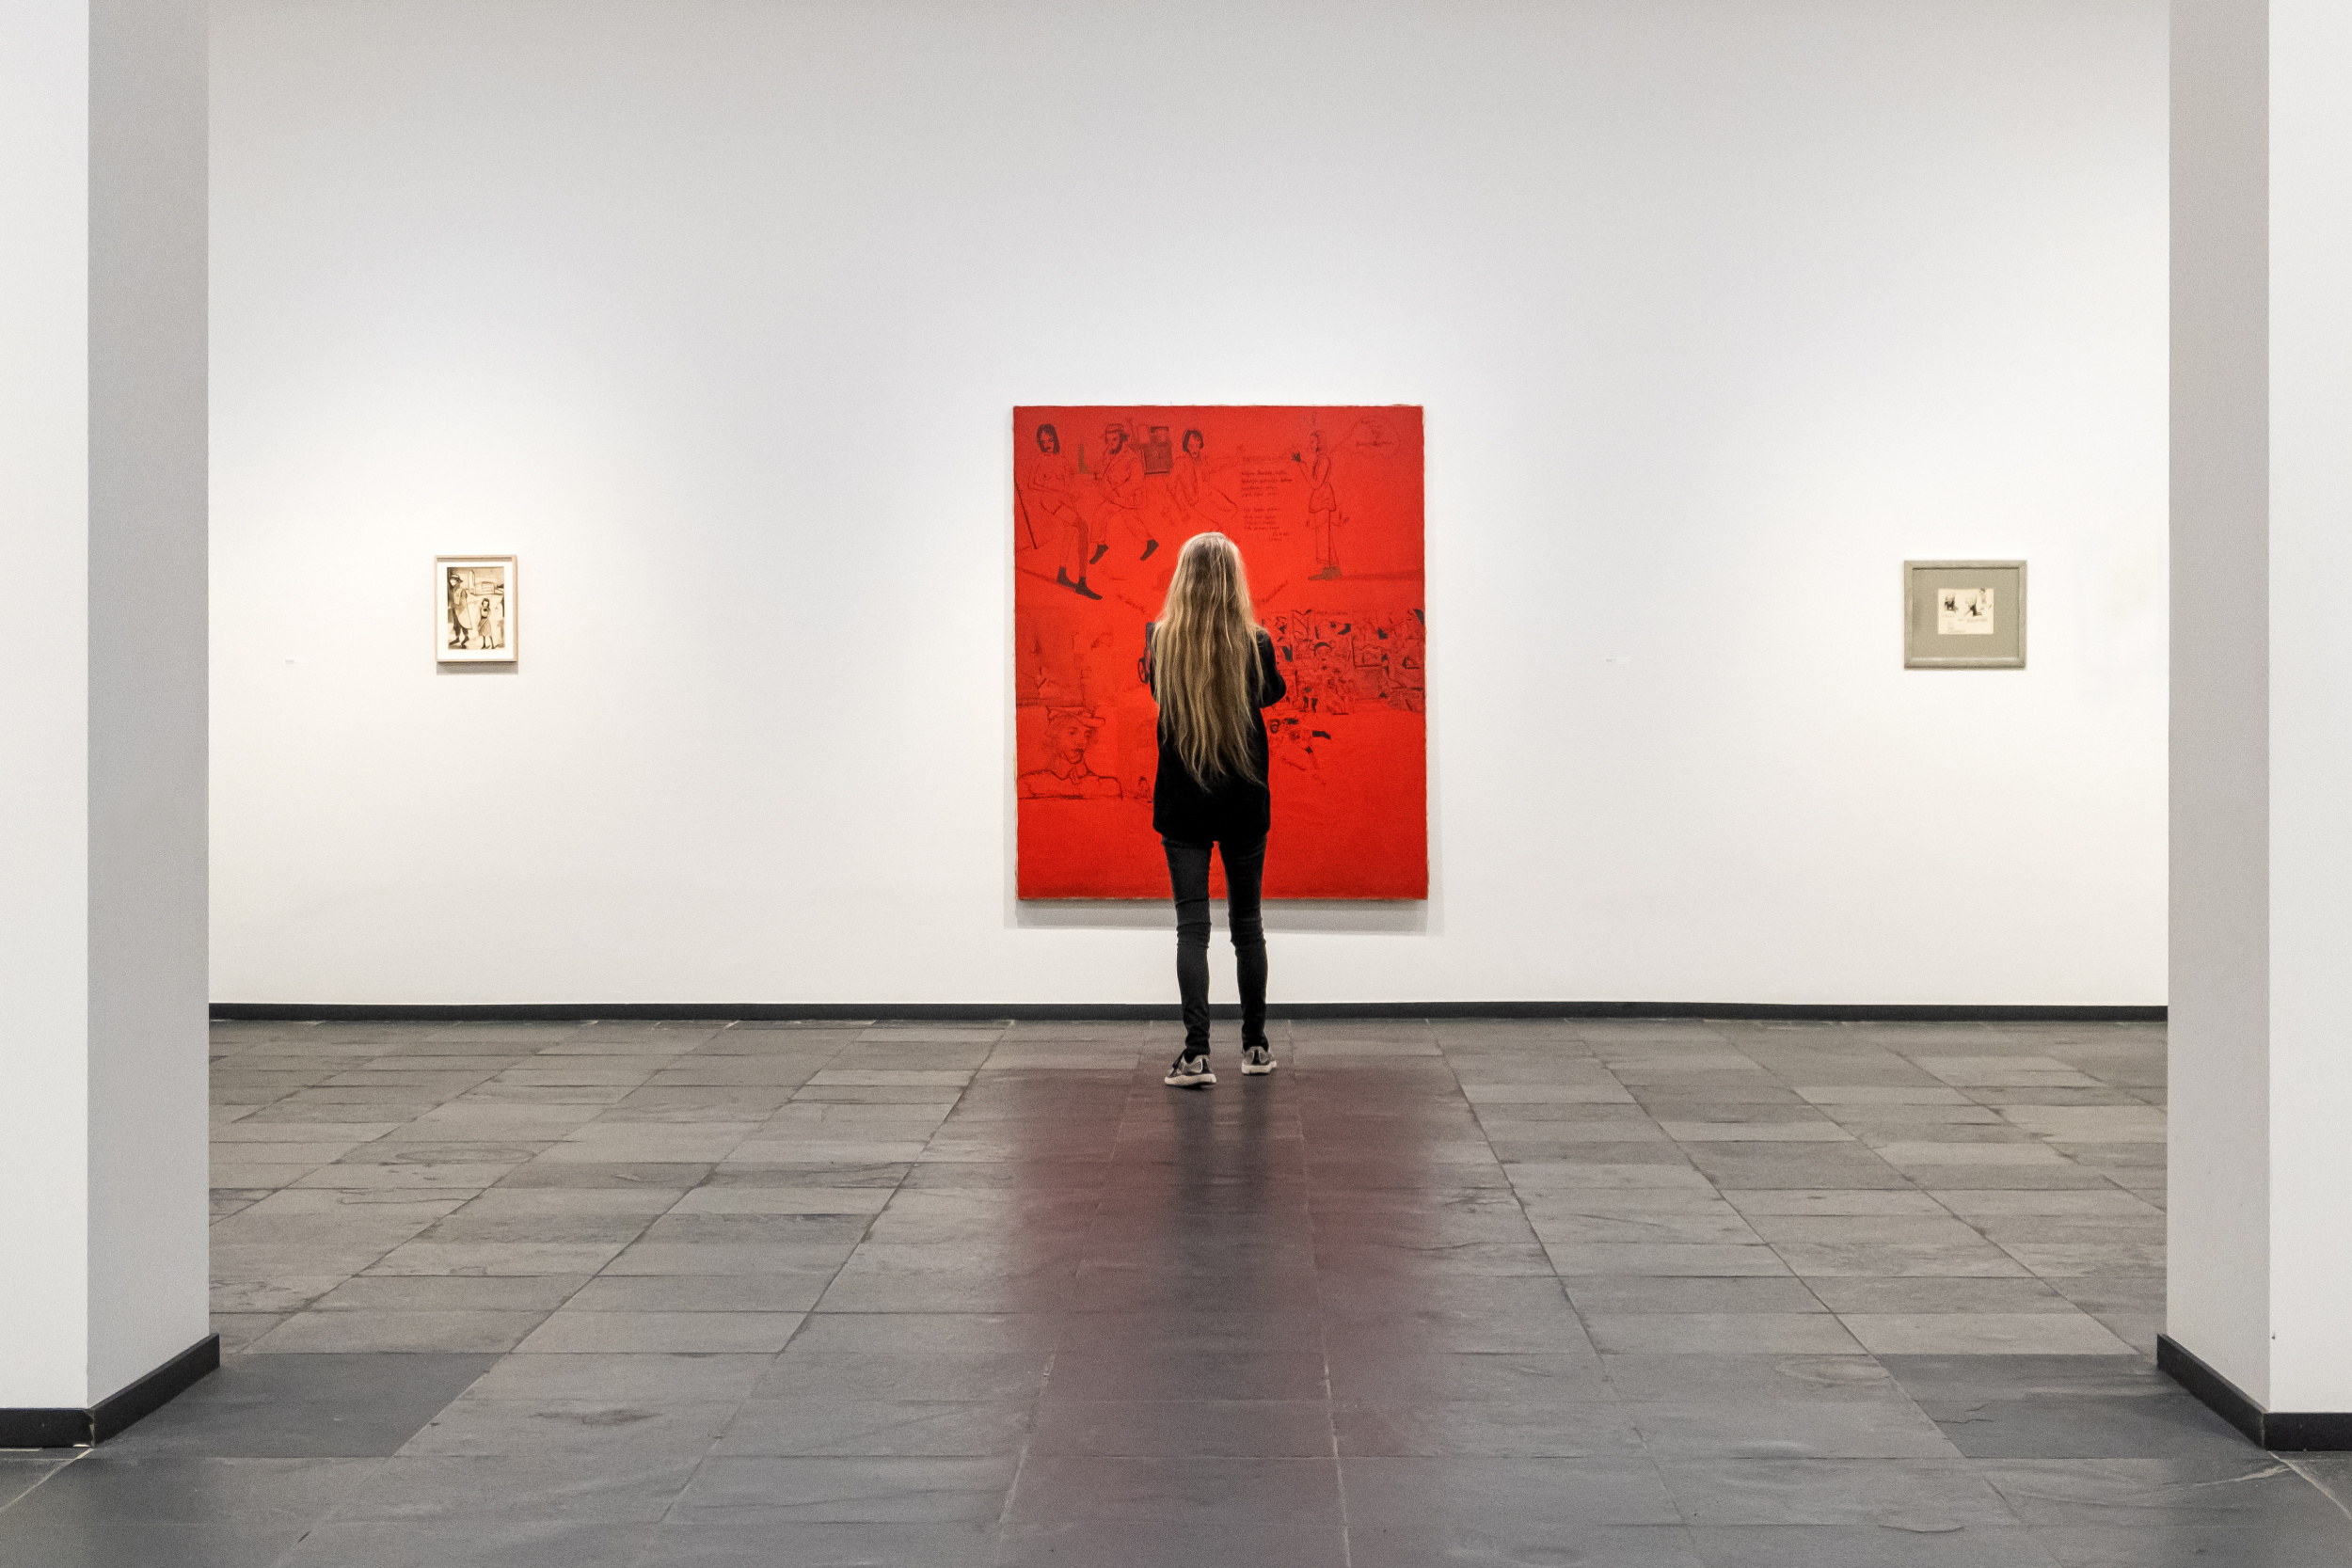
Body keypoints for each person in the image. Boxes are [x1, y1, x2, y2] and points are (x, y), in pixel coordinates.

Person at [1142, 532, 1287, 1087]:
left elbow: (1162, 696)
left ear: (1183, 579)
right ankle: (1255, 1047)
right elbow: (1271, 693)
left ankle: (1196, 1056)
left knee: (1192, 930)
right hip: (1244, 801)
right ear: (1234, 581)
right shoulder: (1256, 643)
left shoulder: (1162, 640)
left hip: (1184, 805)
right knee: (1247, 927)